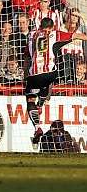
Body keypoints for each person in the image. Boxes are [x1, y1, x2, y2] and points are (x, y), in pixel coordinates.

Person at [24, 17, 87, 147]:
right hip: (50, 75)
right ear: (52, 27)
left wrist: (26, 75)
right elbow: (77, 35)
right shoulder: (56, 34)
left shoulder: (31, 35)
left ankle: (37, 128)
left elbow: (27, 57)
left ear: (40, 26)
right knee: (49, 78)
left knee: (30, 100)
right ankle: (42, 101)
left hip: (34, 75)